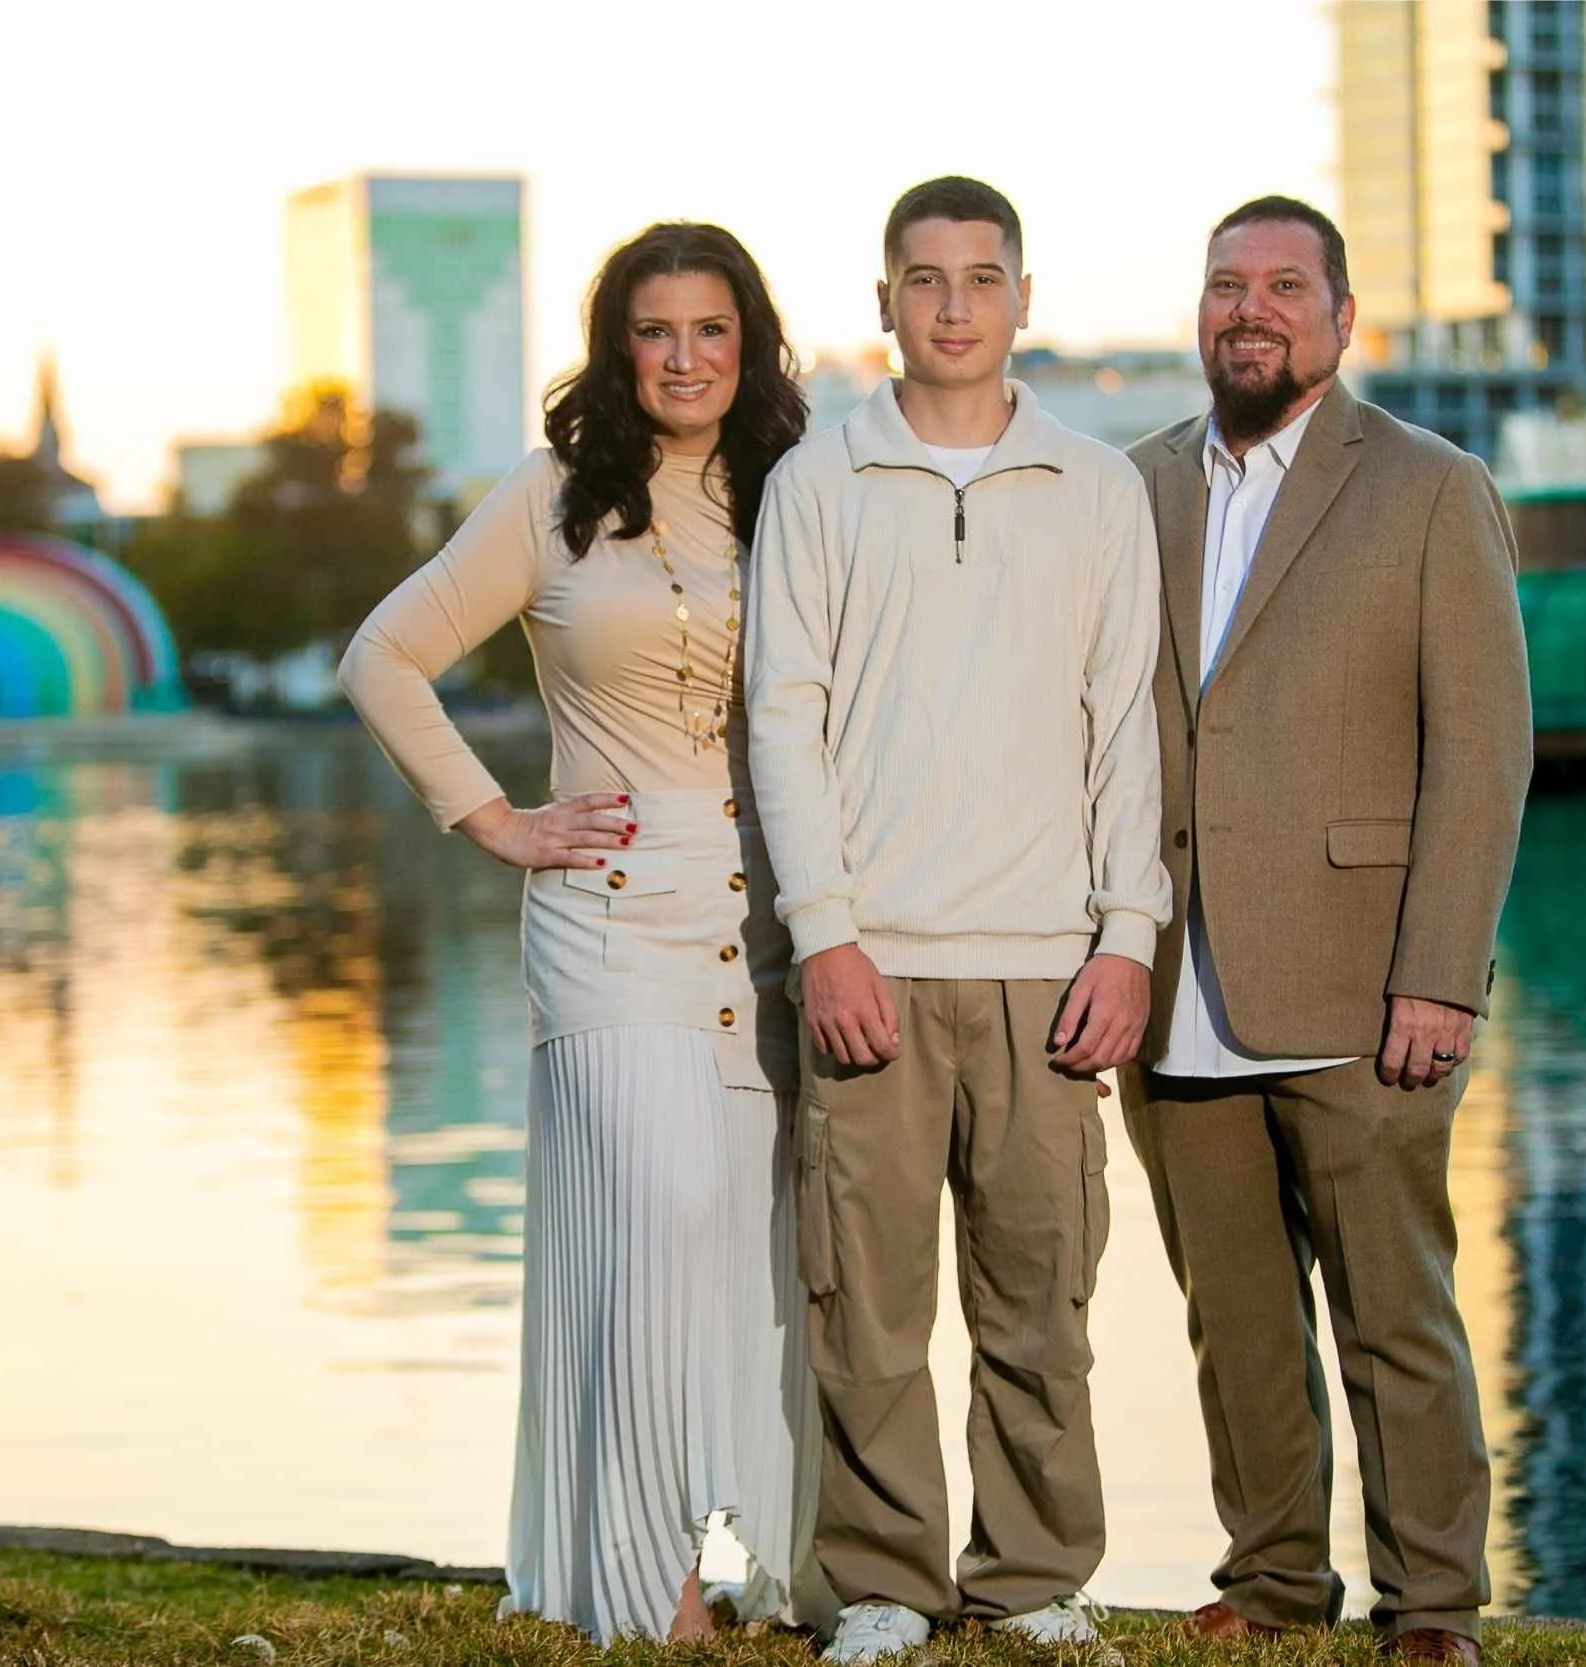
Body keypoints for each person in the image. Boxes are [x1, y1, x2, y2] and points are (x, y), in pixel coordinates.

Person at [337, 222, 826, 1644]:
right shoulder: (550, 498)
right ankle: (645, 1583)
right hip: (606, 918)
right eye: (654, 330)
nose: (683, 357)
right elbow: (385, 656)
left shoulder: (798, 492)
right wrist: (492, 819)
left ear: (752, 345)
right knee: (653, 1225)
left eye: (711, 330)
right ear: (619, 347)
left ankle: (773, 1561)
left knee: (754, 1246)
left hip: (769, 924)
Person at [744, 175, 1170, 1664]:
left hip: (1048, 962)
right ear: (884, 304)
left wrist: (1129, 935)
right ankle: (883, 1583)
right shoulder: (817, 485)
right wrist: (826, 929)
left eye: (981, 278)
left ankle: (1036, 1572)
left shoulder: (1097, 489)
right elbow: (782, 721)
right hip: (874, 958)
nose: (952, 305)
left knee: (1041, 1297)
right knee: (864, 1302)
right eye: (923, 279)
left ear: (1023, 299)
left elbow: (1126, 728)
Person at [1118, 196, 1533, 1665]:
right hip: (1172, 979)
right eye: (1227, 283)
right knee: (1232, 1318)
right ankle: (1279, 1574)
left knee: (1393, 1312)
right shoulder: (1136, 485)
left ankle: (1433, 1599)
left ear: (1341, 319)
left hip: (1365, 982)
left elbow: (1483, 753)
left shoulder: (1429, 486)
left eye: (1285, 286)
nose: (1251, 309)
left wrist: (1440, 975)